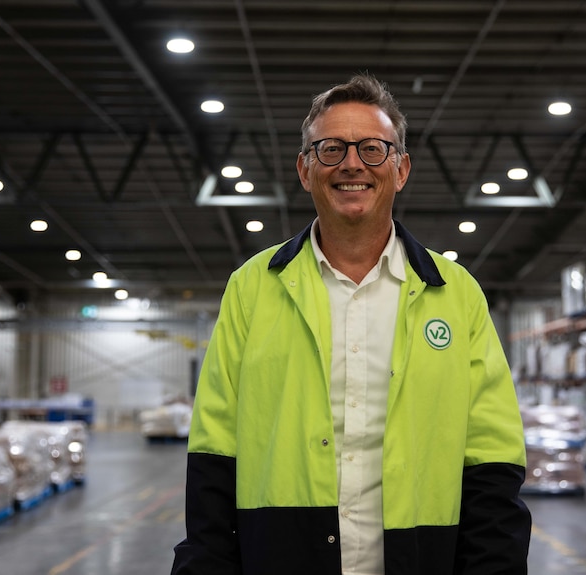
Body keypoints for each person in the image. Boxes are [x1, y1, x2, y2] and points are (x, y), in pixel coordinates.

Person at [171, 74, 531, 575]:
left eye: (373, 149)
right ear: (305, 168)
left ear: (401, 169)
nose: (352, 164)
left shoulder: (456, 292)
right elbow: (214, 449)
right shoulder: (251, 288)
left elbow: (493, 458)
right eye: (331, 149)